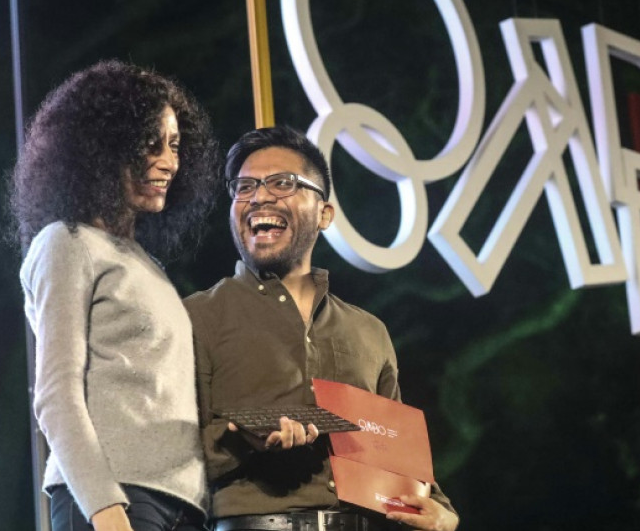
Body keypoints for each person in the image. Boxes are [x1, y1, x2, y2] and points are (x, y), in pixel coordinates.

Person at [184, 126, 460, 531]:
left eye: (283, 183)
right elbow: (164, 461)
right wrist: (242, 442)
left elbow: (399, 458)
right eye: (244, 187)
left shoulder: (369, 331)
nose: (259, 196)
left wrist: (442, 513)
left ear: (324, 213)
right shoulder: (194, 317)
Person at [9, 60, 219, 531]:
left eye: (176, 145)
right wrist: (106, 510)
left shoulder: (146, 265)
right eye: (151, 143)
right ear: (104, 147)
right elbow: (54, 394)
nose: (169, 160)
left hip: (182, 506)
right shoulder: (66, 243)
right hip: (115, 501)